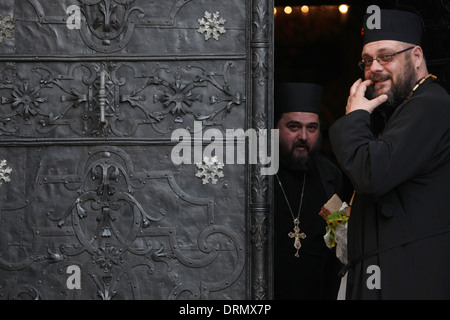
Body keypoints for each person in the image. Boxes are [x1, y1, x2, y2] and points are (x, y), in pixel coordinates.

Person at [329, 9, 450, 299]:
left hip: (406, 278)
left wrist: (355, 117)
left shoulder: (431, 102)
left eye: (386, 56)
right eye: (367, 60)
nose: (374, 68)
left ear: (416, 56)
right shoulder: (405, 109)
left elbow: (372, 174)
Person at [273, 82, 352, 299]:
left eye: (312, 128)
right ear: (275, 127)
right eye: (294, 127)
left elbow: (339, 234)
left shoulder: (329, 177)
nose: (304, 137)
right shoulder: (259, 174)